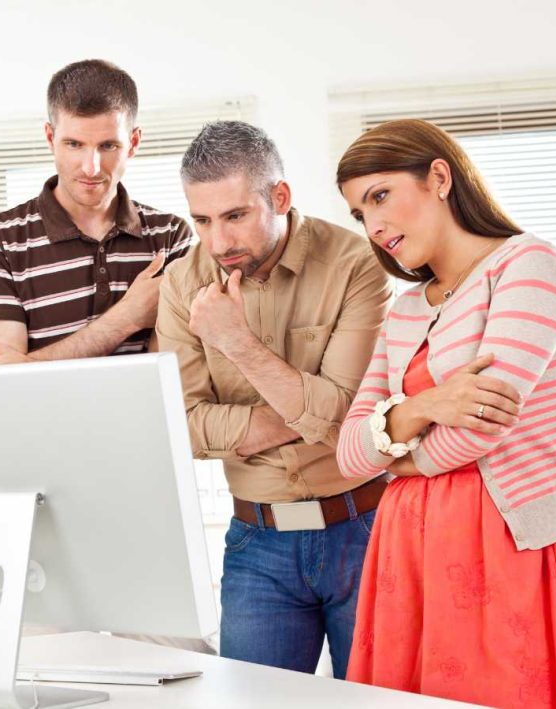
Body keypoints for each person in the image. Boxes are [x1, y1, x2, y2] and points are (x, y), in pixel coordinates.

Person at [336, 118, 556, 707]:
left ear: (440, 176)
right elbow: (349, 451)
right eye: (360, 213)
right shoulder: (407, 310)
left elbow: (486, 422)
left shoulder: (529, 266)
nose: (374, 224)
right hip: (407, 549)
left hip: (507, 537)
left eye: (380, 195)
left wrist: (402, 459)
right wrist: (426, 405)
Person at [155, 120, 393, 678]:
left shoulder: (356, 265)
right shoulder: (182, 284)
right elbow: (182, 426)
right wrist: (312, 408)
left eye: (235, 216)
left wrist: (235, 342)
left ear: (279, 197)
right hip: (256, 545)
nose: (218, 243)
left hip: (365, 530)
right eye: (203, 221)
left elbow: (346, 420)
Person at [0, 59, 192, 362]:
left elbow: (173, 373)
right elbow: (5, 384)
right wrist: (127, 318)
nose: (91, 168)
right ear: (50, 138)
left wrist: (32, 364)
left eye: (108, 146)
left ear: (133, 142)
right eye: (74, 144)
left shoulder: (170, 236)